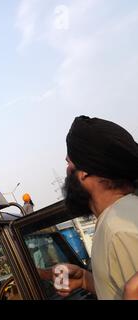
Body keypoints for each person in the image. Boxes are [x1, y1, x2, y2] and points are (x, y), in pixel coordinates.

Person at [49, 115, 138, 299]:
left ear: (85, 171)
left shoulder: (119, 231)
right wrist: (85, 280)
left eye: (69, 162)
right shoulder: (114, 220)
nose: (67, 171)